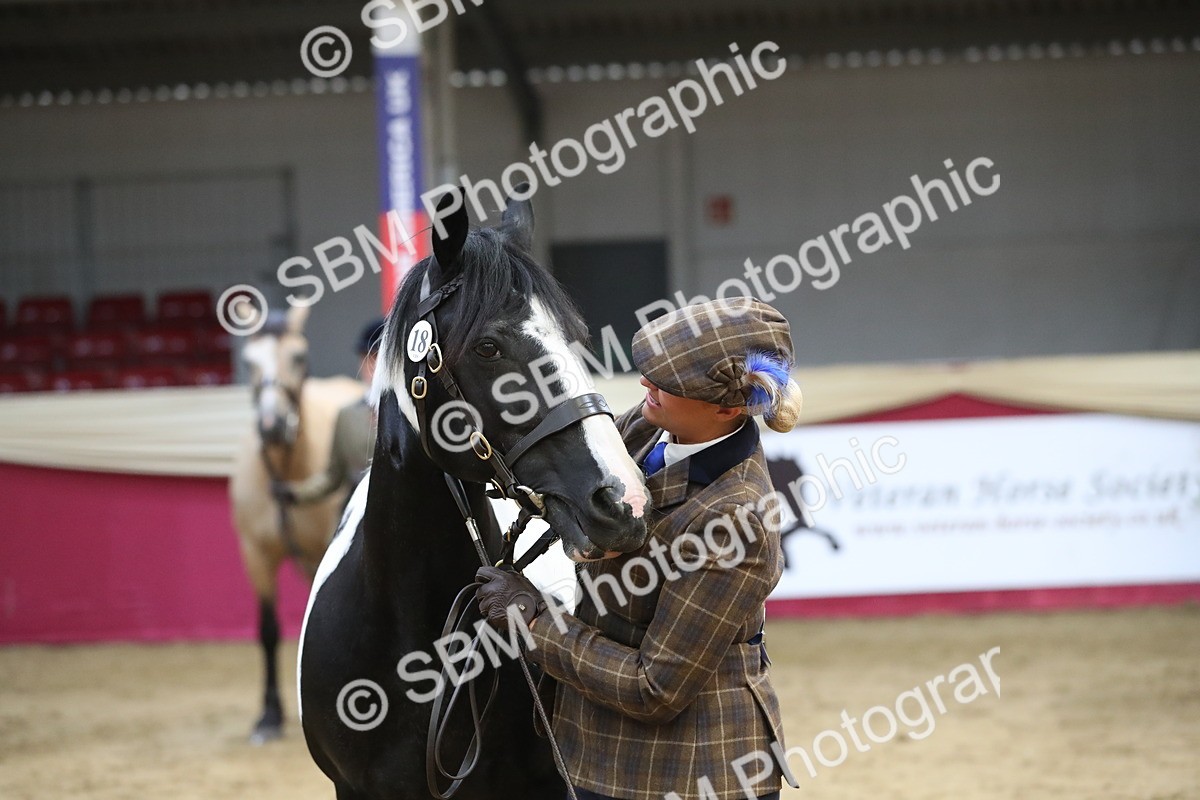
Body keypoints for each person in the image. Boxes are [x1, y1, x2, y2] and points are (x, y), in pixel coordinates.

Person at [477, 299, 804, 800]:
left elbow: (655, 687)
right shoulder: (646, 427)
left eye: (668, 382)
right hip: (596, 750)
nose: (646, 384)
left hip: (692, 771)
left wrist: (533, 620)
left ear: (726, 407)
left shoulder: (736, 520)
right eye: (650, 371)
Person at [272, 318, 383, 507]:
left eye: (378, 357)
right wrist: (295, 493)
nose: (370, 365)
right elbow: (333, 476)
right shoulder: (348, 416)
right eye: (366, 357)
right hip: (361, 508)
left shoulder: (412, 412)